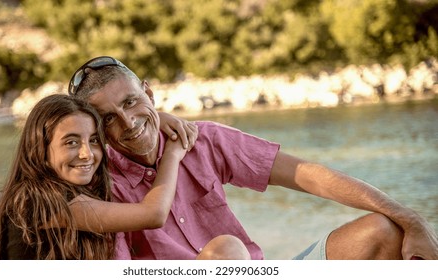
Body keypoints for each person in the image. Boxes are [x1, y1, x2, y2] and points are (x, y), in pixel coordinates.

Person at [68, 56, 438, 260]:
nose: (128, 123)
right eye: (108, 119)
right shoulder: (100, 185)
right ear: (94, 127)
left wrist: (410, 216)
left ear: (149, 92)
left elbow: (308, 175)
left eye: (131, 102)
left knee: (383, 230)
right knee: (224, 252)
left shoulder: (204, 140)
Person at [0, 94, 191, 259]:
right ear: (40, 151)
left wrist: (152, 120)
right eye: (71, 142)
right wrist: (172, 154)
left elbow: (114, 138)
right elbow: (153, 214)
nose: (87, 154)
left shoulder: (67, 188)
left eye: (93, 140)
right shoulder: (38, 200)